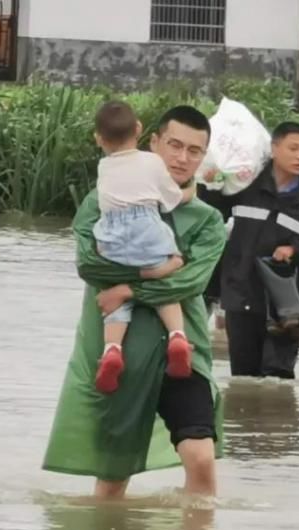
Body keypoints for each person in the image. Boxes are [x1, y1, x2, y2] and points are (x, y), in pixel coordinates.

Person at [42, 106, 226, 499]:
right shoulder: (103, 200)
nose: (182, 158)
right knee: (112, 477)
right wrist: (153, 275)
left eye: (194, 151)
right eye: (174, 145)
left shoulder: (207, 220)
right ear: (152, 142)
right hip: (119, 356)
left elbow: (192, 281)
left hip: (182, 351)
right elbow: (89, 265)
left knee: (201, 458)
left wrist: (126, 289)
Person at [210, 122, 299, 379]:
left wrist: (296, 249)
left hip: (285, 306)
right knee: (244, 378)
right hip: (241, 295)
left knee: (277, 377)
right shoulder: (243, 188)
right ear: (273, 149)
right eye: (294, 148)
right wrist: (211, 184)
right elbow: (210, 217)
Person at [91, 100, 196, 394]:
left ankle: (112, 349)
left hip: (109, 237)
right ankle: (177, 336)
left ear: (98, 139)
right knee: (167, 285)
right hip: (145, 227)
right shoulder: (151, 162)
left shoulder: (104, 166)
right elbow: (171, 199)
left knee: (117, 294)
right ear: (139, 129)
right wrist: (191, 192)